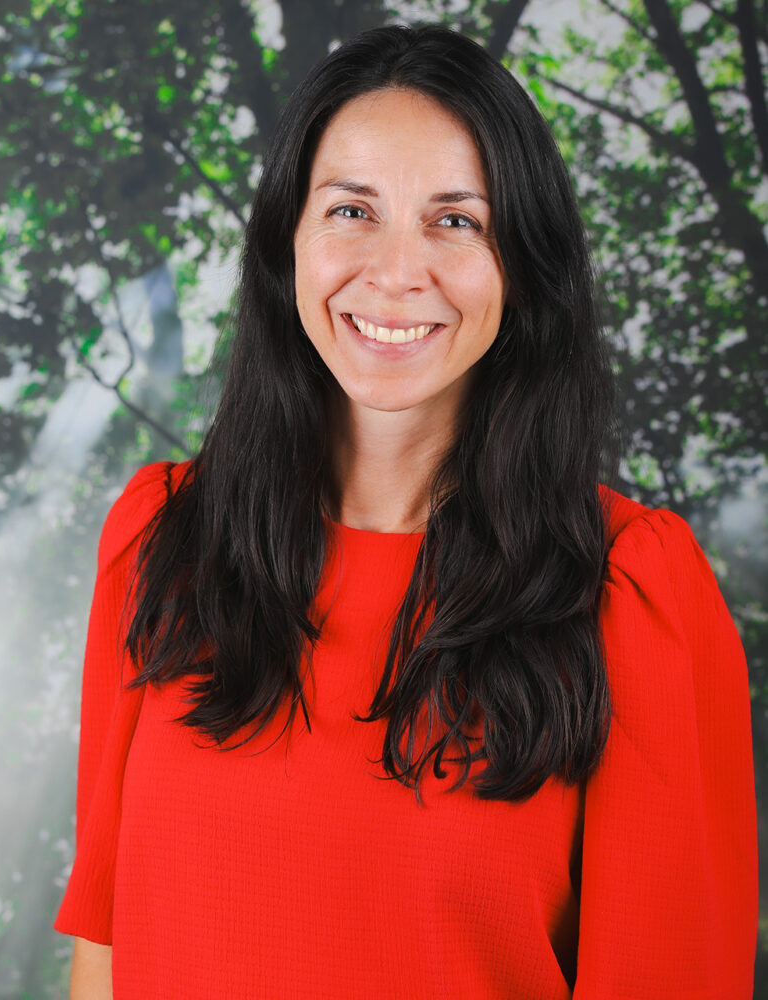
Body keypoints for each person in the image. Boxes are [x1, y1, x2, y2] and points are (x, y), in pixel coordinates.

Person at [56, 24, 757, 999]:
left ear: (523, 264)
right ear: (285, 241)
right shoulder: (160, 538)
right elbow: (107, 947)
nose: (394, 271)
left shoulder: (632, 592)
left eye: (455, 220)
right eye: (351, 209)